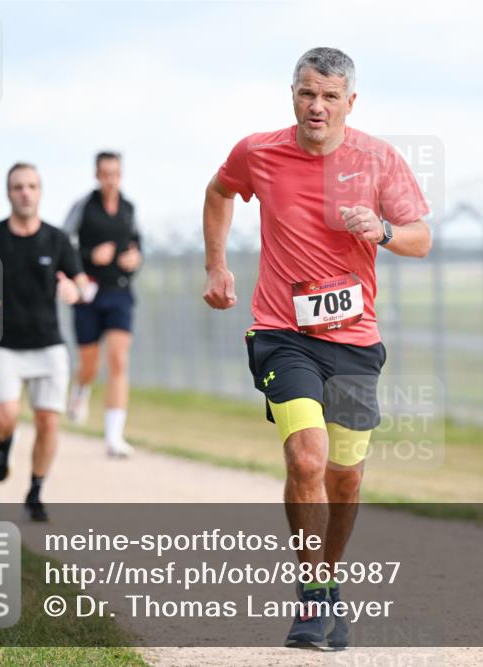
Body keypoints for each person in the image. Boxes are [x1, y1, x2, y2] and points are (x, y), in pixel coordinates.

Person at [202, 47, 430, 648]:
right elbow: (219, 192)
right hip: (283, 333)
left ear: (350, 102)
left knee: (345, 478)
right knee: (306, 457)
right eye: (307, 93)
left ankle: (329, 581)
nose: (317, 106)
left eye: (331, 96)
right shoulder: (258, 151)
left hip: (355, 342)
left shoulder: (380, 159)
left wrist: (382, 230)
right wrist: (217, 266)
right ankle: (311, 597)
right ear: (293, 95)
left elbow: (420, 238)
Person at [0, 163, 91, 522]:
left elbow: (81, 282)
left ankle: (35, 491)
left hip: (48, 343)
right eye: (18, 186)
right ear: (8, 193)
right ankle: (4, 441)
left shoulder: (57, 239)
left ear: (40, 192)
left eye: (32, 186)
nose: (25, 192)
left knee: (48, 422)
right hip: (2, 343)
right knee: (4, 417)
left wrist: (74, 289)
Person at [63, 151, 141, 457]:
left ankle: (113, 438)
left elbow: (138, 244)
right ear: (97, 176)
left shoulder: (128, 208)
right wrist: (89, 257)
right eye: (105, 174)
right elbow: (63, 244)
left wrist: (135, 259)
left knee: (119, 360)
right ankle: (81, 389)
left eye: (115, 174)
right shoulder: (83, 207)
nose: (110, 180)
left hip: (120, 291)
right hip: (88, 293)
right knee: (90, 364)